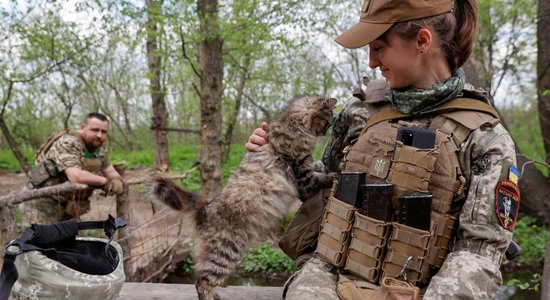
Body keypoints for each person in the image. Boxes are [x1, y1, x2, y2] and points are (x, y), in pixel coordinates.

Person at [245, 0, 519, 299]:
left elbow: (480, 253)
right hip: (332, 274)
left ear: (422, 41)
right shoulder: (360, 110)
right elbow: (322, 186)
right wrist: (279, 161)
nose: (372, 62)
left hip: (425, 289)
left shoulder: (485, 138)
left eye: (378, 47)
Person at [22, 112, 125, 226]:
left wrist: (117, 180)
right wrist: (104, 182)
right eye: (95, 130)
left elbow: (109, 170)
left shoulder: (98, 148)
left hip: (70, 203)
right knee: (40, 241)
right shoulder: (68, 142)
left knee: (69, 241)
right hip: (42, 201)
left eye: (103, 131)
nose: (99, 135)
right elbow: (75, 176)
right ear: (82, 127)